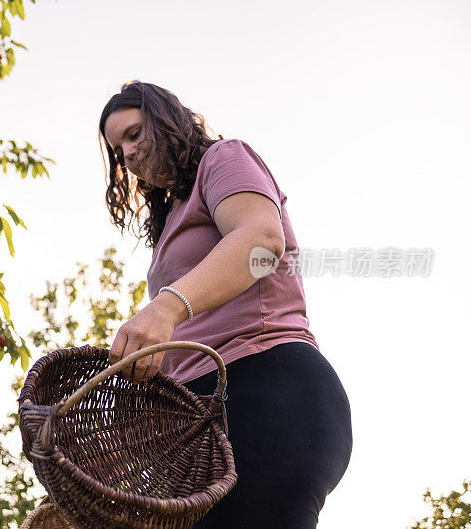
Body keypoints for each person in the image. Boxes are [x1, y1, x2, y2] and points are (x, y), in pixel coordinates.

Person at [99, 81, 352, 528]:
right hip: (202, 422)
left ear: (168, 121)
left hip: (263, 386)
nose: (129, 154)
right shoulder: (173, 218)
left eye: (135, 134)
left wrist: (165, 308)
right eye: (119, 149)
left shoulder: (225, 158)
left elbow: (261, 241)